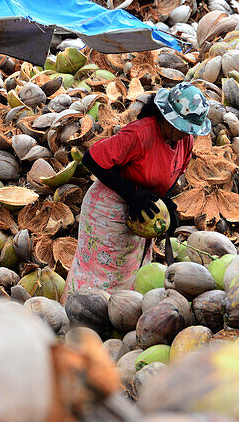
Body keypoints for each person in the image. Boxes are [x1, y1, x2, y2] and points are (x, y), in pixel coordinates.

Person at [63, 81, 212, 297]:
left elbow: (170, 175)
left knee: (132, 273)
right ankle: (78, 322)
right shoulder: (139, 134)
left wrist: (166, 203)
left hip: (142, 211)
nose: (183, 133)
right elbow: (91, 159)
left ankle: (118, 323)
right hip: (108, 210)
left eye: (188, 128)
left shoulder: (185, 141)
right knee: (101, 275)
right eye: (179, 126)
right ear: (165, 116)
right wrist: (130, 193)